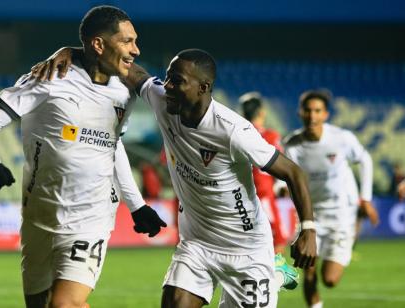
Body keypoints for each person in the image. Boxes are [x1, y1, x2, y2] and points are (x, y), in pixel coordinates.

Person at [35, 48, 317, 308]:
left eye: (177, 81)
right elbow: (129, 68)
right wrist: (73, 51)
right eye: (168, 78)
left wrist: (308, 230)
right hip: (198, 243)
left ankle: (274, 276)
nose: (167, 86)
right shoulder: (163, 100)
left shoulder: (233, 131)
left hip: (246, 249)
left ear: (203, 88)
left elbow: (293, 172)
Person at [0, 5, 166, 308]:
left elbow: (111, 148)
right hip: (40, 215)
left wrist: (137, 205)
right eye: (127, 41)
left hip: (92, 218)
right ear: (99, 44)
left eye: (135, 41)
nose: (136, 50)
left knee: (64, 305)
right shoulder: (50, 76)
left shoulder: (124, 92)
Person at [283, 89, 379, 308]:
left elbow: (365, 160)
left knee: (330, 279)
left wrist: (365, 199)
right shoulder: (292, 144)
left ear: (325, 114)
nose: (312, 116)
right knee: (308, 271)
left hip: (341, 213)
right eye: (307, 110)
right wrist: (281, 189)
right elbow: (287, 177)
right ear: (300, 113)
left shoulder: (342, 138)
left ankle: (355, 226)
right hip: (310, 216)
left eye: (317, 111)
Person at [239, 92, 289, 254]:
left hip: (238, 197)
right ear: (261, 112)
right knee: (277, 240)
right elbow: (280, 163)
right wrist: (281, 184)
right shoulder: (270, 135)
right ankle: (274, 276)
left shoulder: (236, 134)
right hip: (263, 194)